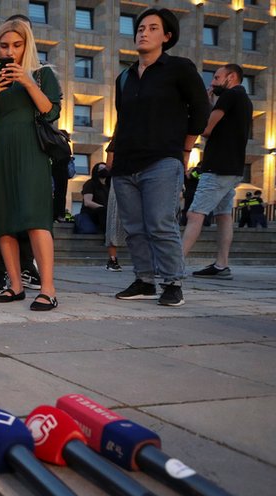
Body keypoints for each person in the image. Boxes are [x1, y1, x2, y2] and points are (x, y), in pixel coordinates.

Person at [108, 8, 210, 306]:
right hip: (126, 162)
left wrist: (186, 149)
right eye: (140, 27)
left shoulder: (179, 68)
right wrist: (113, 152)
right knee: (134, 227)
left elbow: (201, 111)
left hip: (163, 159)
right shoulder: (124, 77)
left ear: (166, 36)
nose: (143, 32)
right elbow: (122, 118)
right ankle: (144, 280)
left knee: (160, 222)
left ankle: (172, 282)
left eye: (152, 28)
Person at [0, 18, 61, 311]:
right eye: (4, 45)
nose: (9, 51)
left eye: (16, 45)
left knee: (36, 217)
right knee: (3, 220)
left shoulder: (42, 74)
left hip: (31, 151)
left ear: (27, 45)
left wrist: (25, 80)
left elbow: (50, 111)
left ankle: (48, 289)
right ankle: (15, 285)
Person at [183, 64, 253, 280]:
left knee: (195, 214)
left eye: (216, 77)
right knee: (223, 216)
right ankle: (221, 265)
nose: (212, 82)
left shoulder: (230, 96)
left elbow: (206, 129)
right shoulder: (243, 99)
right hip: (233, 167)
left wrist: (203, 103)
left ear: (231, 77)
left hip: (218, 167)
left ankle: (173, 263)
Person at [81, 162, 122, 271]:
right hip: (92, 213)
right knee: (104, 212)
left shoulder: (110, 186)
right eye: (101, 168)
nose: (104, 170)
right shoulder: (90, 184)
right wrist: (104, 207)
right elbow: (87, 202)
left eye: (105, 168)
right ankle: (110, 239)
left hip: (106, 214)